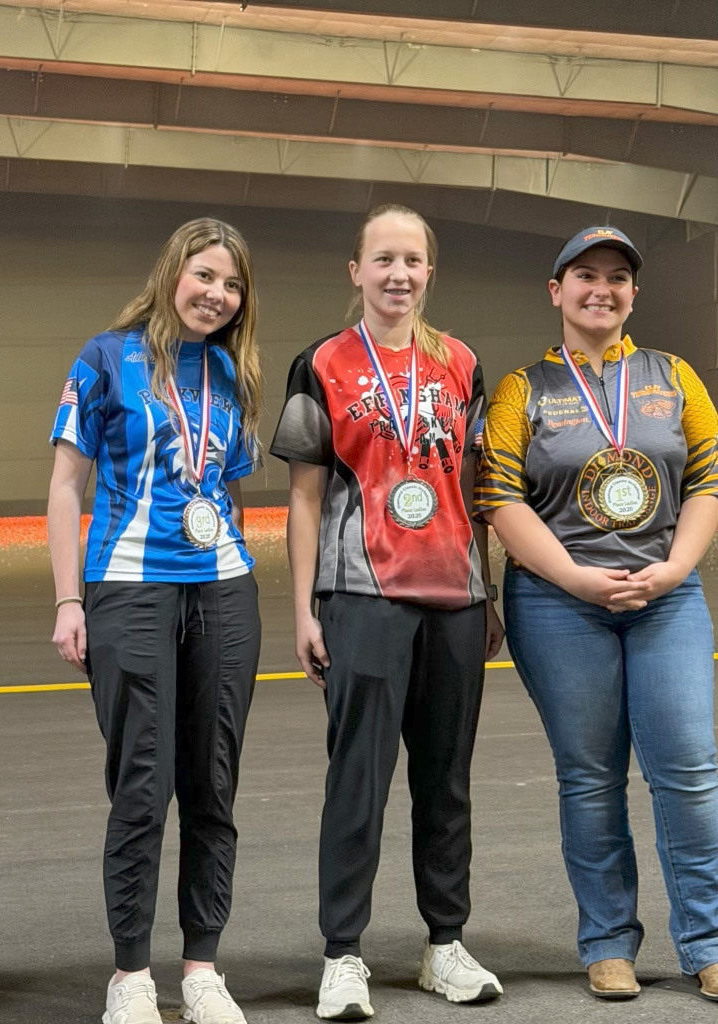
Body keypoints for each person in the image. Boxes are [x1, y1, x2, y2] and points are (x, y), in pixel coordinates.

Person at [270, 203, 504, 1020]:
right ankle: (343, 956)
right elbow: (303, 501)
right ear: (356, 271)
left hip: (455, 599)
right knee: (358, 782)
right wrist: (302, 609)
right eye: (383, 260)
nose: (398, 274)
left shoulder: (465, 363)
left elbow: (479, 490)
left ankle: (445, 944)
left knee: (447, 782)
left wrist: (490, 586)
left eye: (412, 260)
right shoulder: (321, 363)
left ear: (429, 272)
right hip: (361, 597)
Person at [476, 226, 718, 1001]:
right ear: (557, 291)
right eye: (585, 276)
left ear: (633, 294)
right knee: (590, 778)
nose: (601, 289)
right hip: (558, 603)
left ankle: (708, 942)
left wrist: (675, 568)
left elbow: (709, 481)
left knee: (689, 771)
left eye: (617, 277)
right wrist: (577, 579)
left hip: (665, 597)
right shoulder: (522, 390)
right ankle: (608, 942)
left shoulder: (674, 376)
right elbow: (499, 500)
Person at [47, 218, 262, 1024]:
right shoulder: (106, 357)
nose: (217, 294)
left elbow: (229, 488)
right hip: (128, 589)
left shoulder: (233, 372)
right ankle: (130, 974)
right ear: (173, 272)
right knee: (142, 785)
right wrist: (70, 600)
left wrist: (237, 572)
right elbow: (68, 485)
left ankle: (202, 966)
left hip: (224, 589)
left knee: (212, 781)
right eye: (205, 275)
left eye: (233, 284)